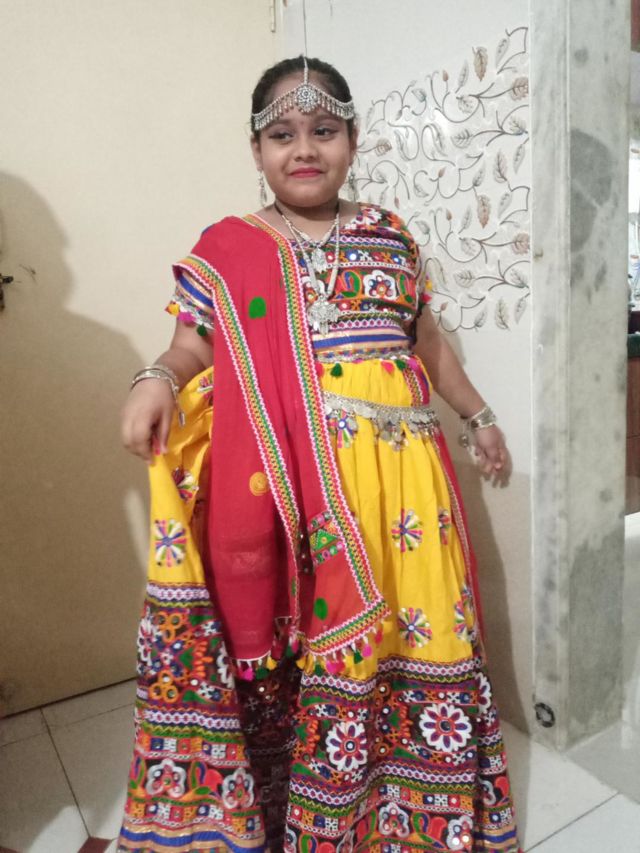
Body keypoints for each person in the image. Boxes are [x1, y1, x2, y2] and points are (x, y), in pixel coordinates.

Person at [118, 56, 521, 853]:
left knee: (417, 633)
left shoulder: (392, 238)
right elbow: (192, 341)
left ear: (353, 140)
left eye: (324, 130)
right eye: (283, 135)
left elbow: (428, 346)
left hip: (406, 491)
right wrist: (157, 377)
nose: (304, 149)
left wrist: (479, 416)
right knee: (321, 648)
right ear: (256, 149)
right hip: (298, 492)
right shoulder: (230, 248)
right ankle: (311, 818)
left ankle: (407, 817)